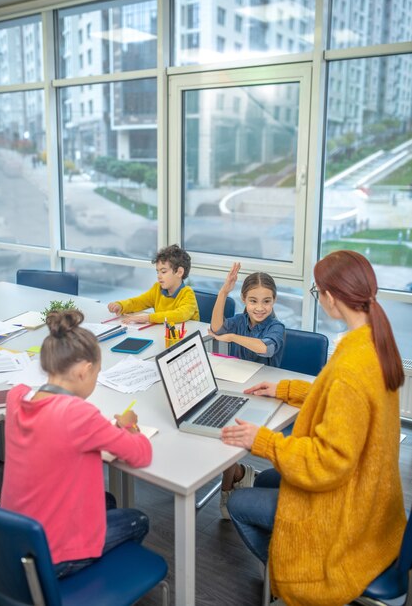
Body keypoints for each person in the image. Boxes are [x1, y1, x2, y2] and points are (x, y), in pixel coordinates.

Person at [221, 250, 406, 606]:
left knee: (242, 501)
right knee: (263, 480)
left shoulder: (352, 365)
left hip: (347, 506)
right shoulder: (373, 342)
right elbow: (338, 399)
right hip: (373, 491)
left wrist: (264, 441)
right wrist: (286, 389)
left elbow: (327, 463)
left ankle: (290, 576)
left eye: (317, 293)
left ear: (330, 297)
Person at [1, 310, 153, 578]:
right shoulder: (78, 415)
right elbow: (140, 454)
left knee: (106, 501)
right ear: (85, 371)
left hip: (12, 541)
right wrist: (129, 426)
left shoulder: (16, 397)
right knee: (138, 519)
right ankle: (88, 582)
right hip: (52, 555)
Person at [209, 262, 285, 519]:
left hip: (265, 394)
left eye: (266, 301)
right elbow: (217, 328)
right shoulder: (240, 320)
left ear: (274, 301)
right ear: (243, 299)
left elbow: (266, 348)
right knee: (224, 431)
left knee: (231, 436)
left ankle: (228, 489)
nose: (260, 307)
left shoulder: (277, 327)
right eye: (253, 301)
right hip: (239, 388)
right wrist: (223, 293)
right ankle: (238, 474)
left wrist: (232, 339)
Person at [107, 243, 199, 325]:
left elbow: (180, 314)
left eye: (163, 272)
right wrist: (121, 305)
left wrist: (149, 318)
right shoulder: (157, 289)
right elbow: (139, 302)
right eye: (157, 272)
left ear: (179, 272)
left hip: (187, 339)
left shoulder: (187, 293)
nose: (159, 276)